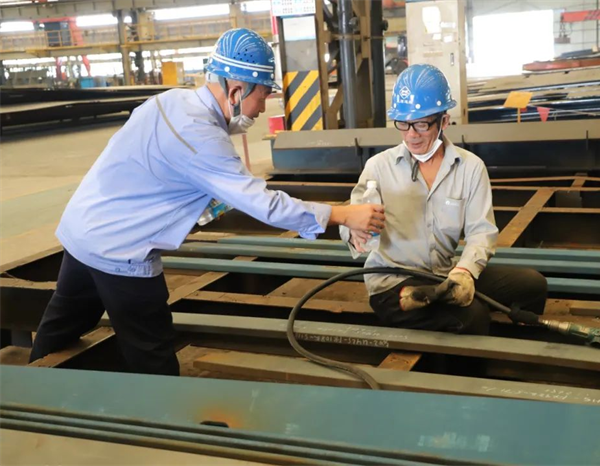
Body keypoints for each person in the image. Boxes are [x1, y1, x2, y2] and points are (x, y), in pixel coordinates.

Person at [29, 28, 385, 375]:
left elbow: (162, 172)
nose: (263, 107)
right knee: (152, 354)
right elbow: (263, 204)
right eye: (263, 95)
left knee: (63, 325)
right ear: (236, 90)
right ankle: (163, 412)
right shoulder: (202, 136)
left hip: (83, 232)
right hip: (121, 250)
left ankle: (28, 391)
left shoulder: (171, 100)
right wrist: (342, 214)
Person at [340, 64, 546, 336]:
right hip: (395, 284)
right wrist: (354, 231)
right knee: (473, 317)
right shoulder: (378, 167)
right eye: (403, 124)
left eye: (422, 124)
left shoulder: (470, 168)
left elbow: (481, 231)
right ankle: (459, 361)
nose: (411, 134)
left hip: (444, 274)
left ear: (444, 122)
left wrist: (465, 272)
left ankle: (521, 346)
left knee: (532, 285)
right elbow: (351, 220)